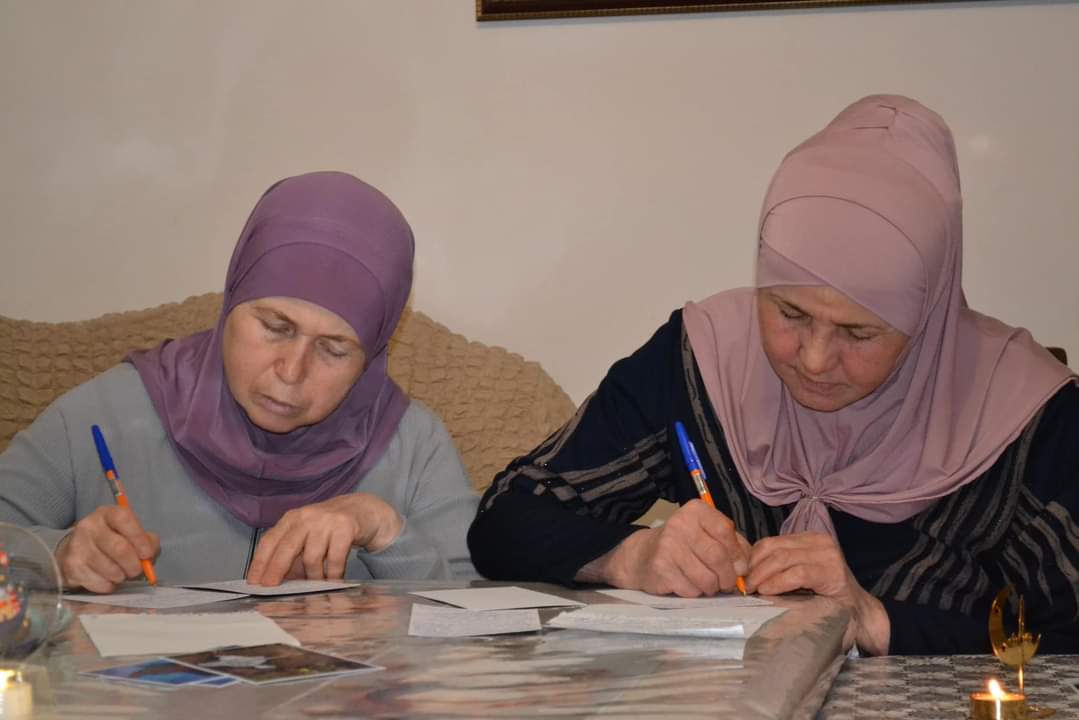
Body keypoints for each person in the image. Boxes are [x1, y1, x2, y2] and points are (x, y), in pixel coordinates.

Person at [468, 96, 1079, 656]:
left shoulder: (1026, 415)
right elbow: (505, 518)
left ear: (928, 316)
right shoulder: (705, 358)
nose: (813, 359)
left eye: (858, 333)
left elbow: (1067, 630)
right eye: (789, 313)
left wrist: (875, 620)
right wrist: (631, 555)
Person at [0, 171, 479, 592]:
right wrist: (56, 556)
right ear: (231, 302)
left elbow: (481, 611)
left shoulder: (415, 447)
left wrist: (385, 531)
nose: (291, 372)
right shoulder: (107, 414)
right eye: (275, 327)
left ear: (371, 358)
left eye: (334, 349)